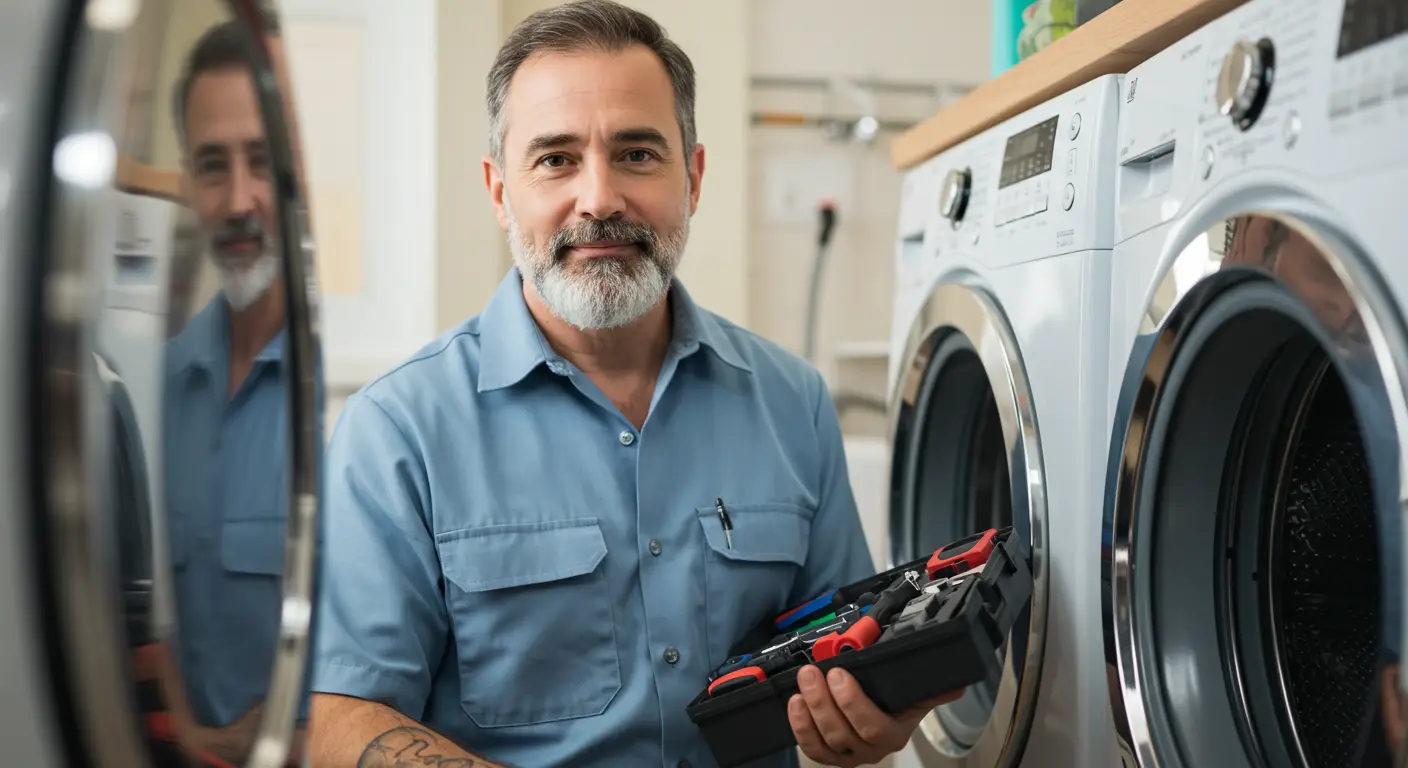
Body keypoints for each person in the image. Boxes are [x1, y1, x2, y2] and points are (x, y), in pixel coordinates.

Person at [307, 2, 959, 766]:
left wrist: (870, 720)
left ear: (694, 177)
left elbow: (850, 666)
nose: (600, 198)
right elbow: (333, 715)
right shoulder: (398, 431)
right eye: (556, 159)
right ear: (499, 191)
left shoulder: (793, 404)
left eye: (637, 154)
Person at [155, 17, 309, 765]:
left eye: (261, 160)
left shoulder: (350, 414)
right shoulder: (146, 397)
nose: (240, 199)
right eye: (213, 166)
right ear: (188, 182)